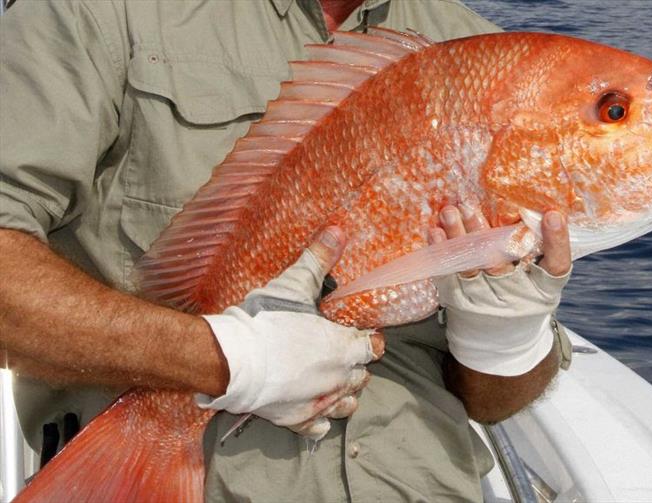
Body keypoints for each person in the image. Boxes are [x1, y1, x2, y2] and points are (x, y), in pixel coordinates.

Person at [0, 0, 572, 500]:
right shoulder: (100, 12)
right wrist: (229, 360)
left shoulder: (488, 57)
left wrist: (507, 339)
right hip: (184, 479)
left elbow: (493, 402)